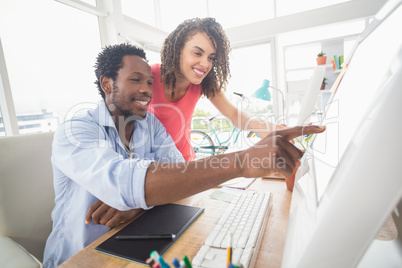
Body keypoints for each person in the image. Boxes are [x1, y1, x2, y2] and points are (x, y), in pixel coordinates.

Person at [43, 43, 325, 267]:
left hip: (131, 241)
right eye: (135, 80)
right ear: (107, 84)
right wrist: (241, 161)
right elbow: (123, 183)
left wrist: (138, 205)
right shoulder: (75, 131)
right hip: (81, 257)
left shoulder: (148, 124)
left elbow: (177, 169)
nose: (146, 90)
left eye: (149, 83)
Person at [149, 17, 286, 161]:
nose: (205, 64)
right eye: (197, 53)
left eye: (211, 58)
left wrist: (262, 126)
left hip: (184, 164)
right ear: (178, 50)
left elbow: (233, 113)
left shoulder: (203, 84)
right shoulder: (148, 76)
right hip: (152, 166)